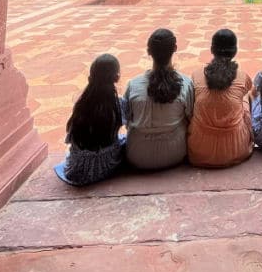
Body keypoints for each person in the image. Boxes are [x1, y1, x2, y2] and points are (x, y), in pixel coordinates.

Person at [123, 28, 194, 170]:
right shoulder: (185, 83)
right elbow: (191, 117)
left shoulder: (133, 85)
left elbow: (126, 119)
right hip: (175, 152)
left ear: (149, 52)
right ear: (175, 49)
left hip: (137, 155)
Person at [55, 53, 125, 185]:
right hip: (106, 166)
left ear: (90, 77)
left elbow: (71, 137)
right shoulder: (118, 104)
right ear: (116, 78)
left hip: (76, 170)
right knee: (125, 140)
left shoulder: (81, 104)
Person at [188, 28, 253, 167]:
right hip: (236, 148)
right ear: (235, 51)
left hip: (200, 149)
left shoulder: (196, 75)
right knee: (245, 96)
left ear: (212, 49)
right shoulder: (242, 76)